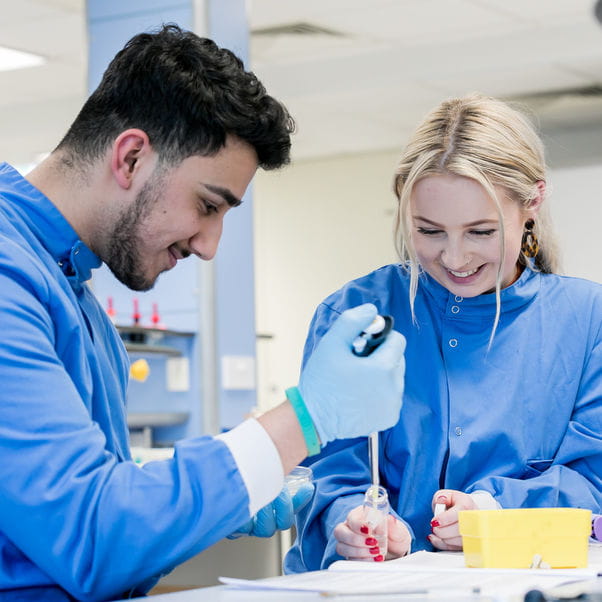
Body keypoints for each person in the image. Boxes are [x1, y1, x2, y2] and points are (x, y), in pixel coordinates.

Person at [0, 24, 407, 601]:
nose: (210, 245)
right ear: (132, 155)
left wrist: (232, 492)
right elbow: (94, 541)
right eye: (207, 205)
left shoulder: (74, 293)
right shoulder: (8, 276)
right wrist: (302, 419)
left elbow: (82, 494)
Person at [285, 93, 602, 573]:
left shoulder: (587, 319)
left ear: (532, 202)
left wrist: (492, 511)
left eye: (481, 232)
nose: (454, 259)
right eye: (430, 232)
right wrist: (352, 524)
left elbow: (592, 477)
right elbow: (329, 472)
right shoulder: (355, 313)